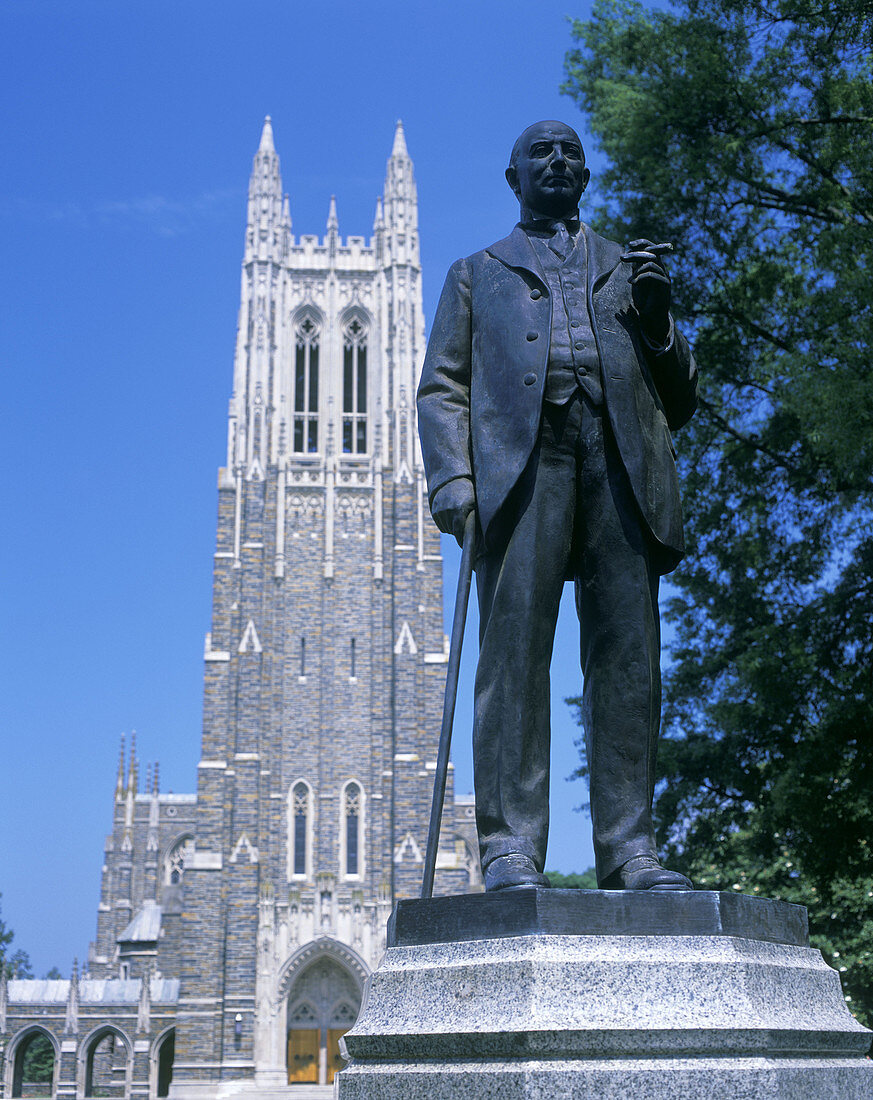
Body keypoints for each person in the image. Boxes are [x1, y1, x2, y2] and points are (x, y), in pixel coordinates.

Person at [417, 120, 698, 892]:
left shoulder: (626, 269)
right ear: (513, 177)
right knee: (512, 657)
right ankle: (509, 846)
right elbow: (441, 387)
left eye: (570, 151)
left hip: (618, 466)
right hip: (522, 469)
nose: (557, 160)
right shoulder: (477, 273)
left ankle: (629, 848)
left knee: (628, 658)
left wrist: (657, 321)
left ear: (585, 174)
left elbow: (681, 399)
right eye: (540, 152)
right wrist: (452, 480)